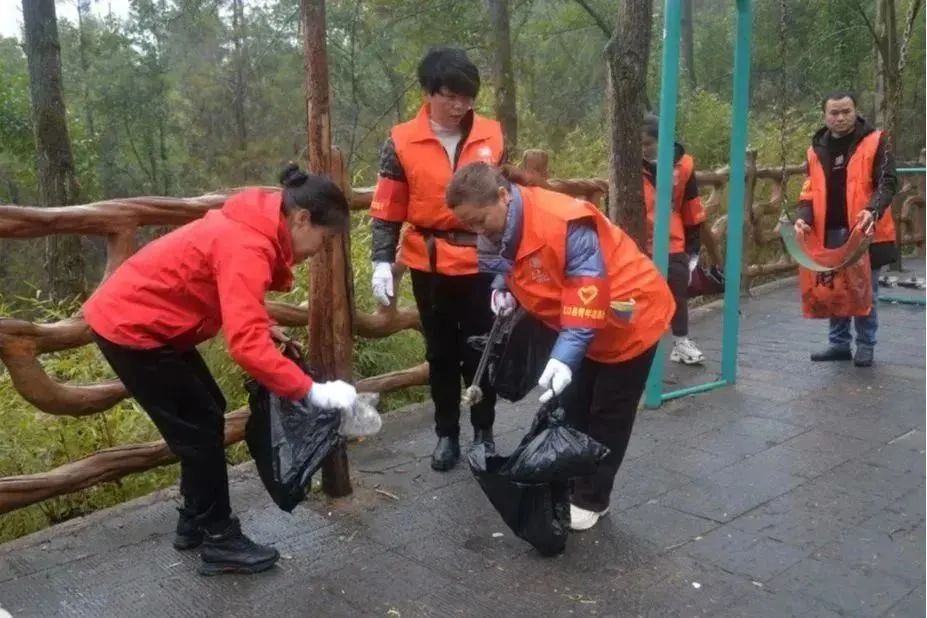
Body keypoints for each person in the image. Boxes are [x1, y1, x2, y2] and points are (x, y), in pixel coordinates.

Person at [83, 164, 358, 576]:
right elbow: (245, 346)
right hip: (132, 328)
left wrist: (263, 322)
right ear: (301, 218)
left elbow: (224, 287)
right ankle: (219, 538)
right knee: (197, 431)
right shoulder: (248, 244)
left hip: (148, 324)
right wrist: (309, 391)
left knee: (207, 412)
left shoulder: (252, 228)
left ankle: (194, 519)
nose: (321, 249)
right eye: (324, 238)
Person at [445, 162, 675, 531]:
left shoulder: (564, 221)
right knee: (573, 405)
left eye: (479, 220)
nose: (475, 230)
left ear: (503, 196)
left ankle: (592, 498)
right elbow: (510, 260)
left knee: (608, 413)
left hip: (628, 318)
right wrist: (503, 288)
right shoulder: (500, 221)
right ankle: (570, 480)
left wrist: (565, 357)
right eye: (467, 224)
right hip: (578, 327)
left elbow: (586, 289)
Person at [368, 47, 505, 471]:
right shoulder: (401, 140)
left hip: (484, 262)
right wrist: (380, 260)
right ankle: (447, 433)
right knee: (441, 354)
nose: (459, 106)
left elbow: (508, 201)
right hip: (429, 264)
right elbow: (388, 207)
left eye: (467, 97)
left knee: (483, 351)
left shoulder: (492, 134)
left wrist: (513, 262)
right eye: (450, 96)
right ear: (428, 93)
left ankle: (484, 430)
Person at [794, 91, 898, 367]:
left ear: (856, 111)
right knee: (835, 289)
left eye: (846, 112)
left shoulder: (876, 141)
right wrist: (804, 216)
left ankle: (866, 344)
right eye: (834, 113)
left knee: (865, 290)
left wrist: (871, 210)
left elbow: (887, 183)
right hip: (829, 230)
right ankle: (839, 343)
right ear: (825, 116)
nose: (840, 117)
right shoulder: (816, 149)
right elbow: (809, 192)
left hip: (864, 230)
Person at [640, 114, 707, 365]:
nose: (643, 149)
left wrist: (694, 244)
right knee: (641, 294)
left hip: (672, 235)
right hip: (638, 237)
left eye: (647, 143)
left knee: (677, 286)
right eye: (639, 144)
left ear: (663, 141)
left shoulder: (684, 165)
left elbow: (691, 203)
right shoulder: (628, 164)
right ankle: (641, 345)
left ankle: (681, 342)